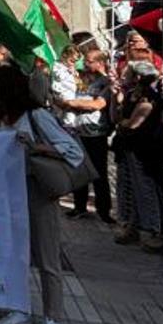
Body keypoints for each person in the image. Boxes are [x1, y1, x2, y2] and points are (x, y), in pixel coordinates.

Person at [0, 64, 85, 324]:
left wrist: (37, 147)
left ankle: (52, 319)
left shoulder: (37, 115)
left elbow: (72, 150)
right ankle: (20, 308)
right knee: (14, 252)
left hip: (36, 190)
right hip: (7, 191)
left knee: (46, 257)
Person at [111, 61, 163, 253]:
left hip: (143, 150)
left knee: (145, 190)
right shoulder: (129, 95)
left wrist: (123, 122)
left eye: (128, 72)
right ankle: (131, 226)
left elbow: (132, 124)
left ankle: (152, 231)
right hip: (126, 148)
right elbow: (117, 119)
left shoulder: (149, 99)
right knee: (128, 187)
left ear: (138, 77)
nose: (124, 74)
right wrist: (114, 99)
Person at [61, 49, 114, 223]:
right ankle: (80, 206)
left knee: (99, 172)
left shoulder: (106, 82)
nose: (85, 64)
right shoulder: (81, 80)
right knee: (79, 170)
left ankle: (104, 210)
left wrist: (71, 103)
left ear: (100, 63)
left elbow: (97, 104)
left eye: (90, 61)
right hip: (78, 131)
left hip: (96, 133)